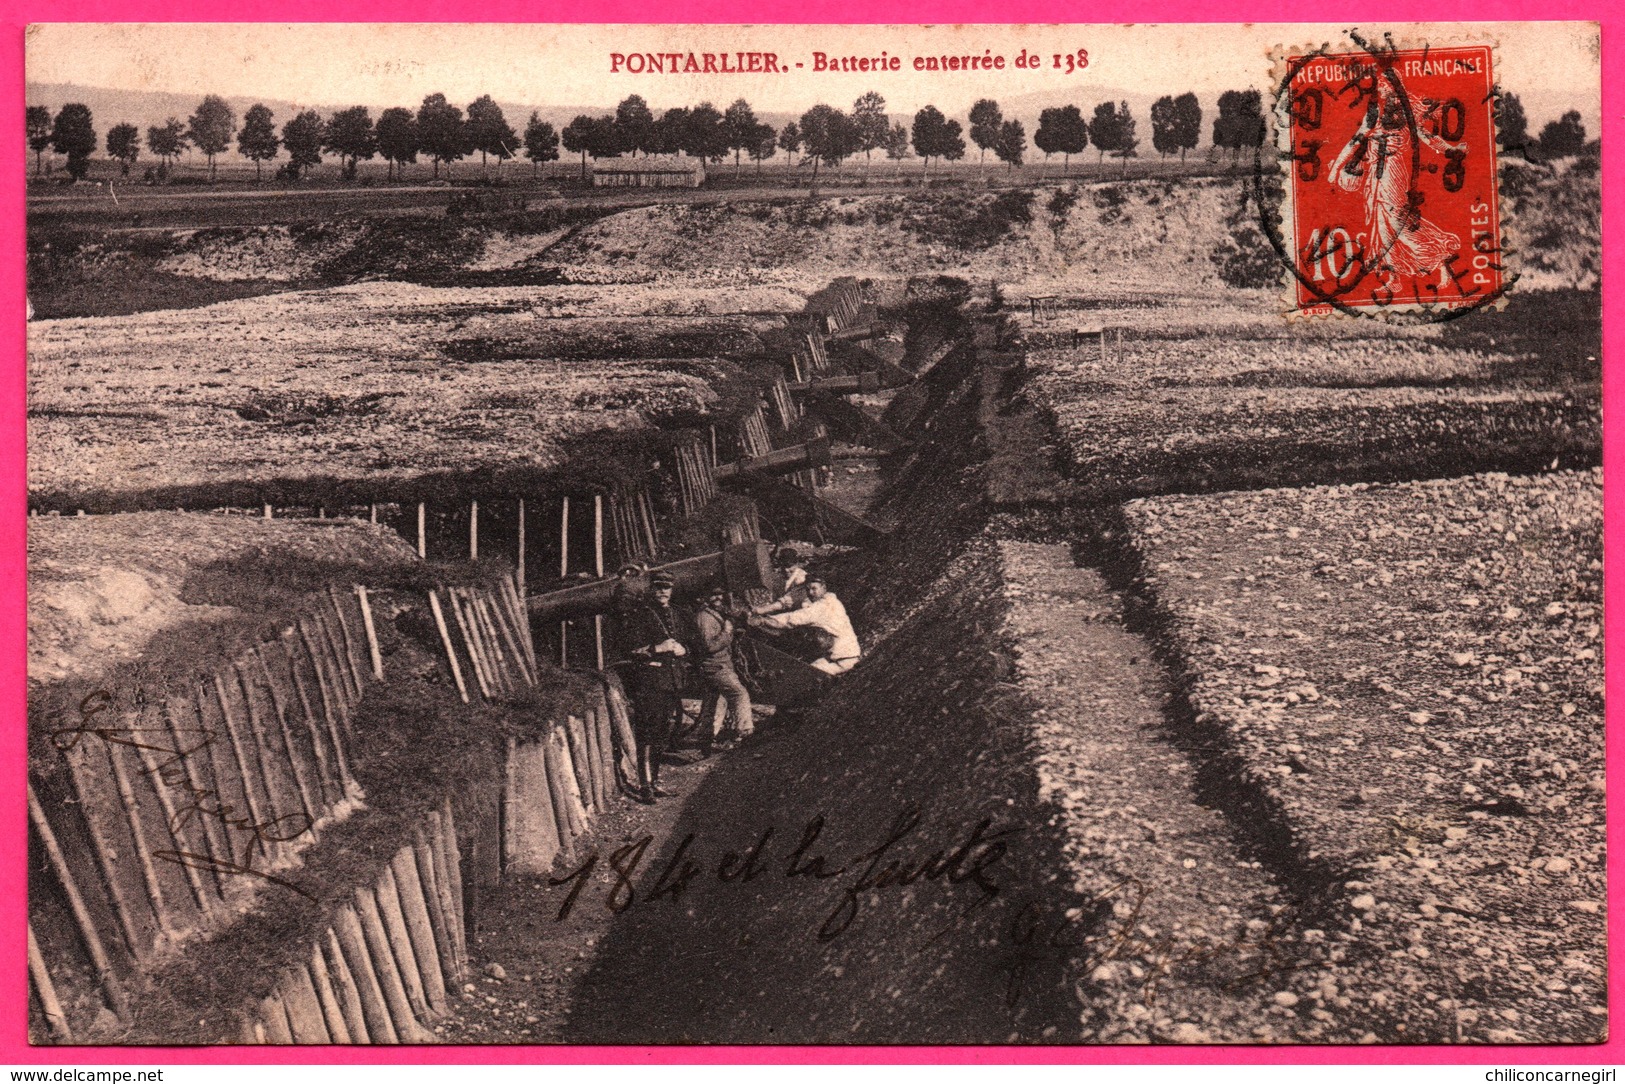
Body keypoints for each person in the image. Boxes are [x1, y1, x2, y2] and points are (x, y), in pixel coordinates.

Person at [611, 570, 687, 803]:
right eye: (658, 587)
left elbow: (689, 643)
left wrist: (685, 650)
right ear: (651, 589)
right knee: (647, 732)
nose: (663, 592)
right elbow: (630, 651)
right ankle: (645, 786)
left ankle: (654, 782)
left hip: (671, 681)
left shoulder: (675, 614)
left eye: (667, 588)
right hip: (650, 682)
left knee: (662, 734)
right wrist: (658, 648)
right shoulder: (639, 616)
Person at [750, 573, 861, 675]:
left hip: (843, 660)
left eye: (814, 589)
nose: (810, 593)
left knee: (804, 675)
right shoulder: (832, 601)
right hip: (840, 656)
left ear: (824, 588)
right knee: (807, 667)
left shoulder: (823, 607)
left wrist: (763, 621)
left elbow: (792, 619)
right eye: (808, 589)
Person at [690, 583, 754, 755]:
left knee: (713, 703)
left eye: (720, 594)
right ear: (706, 598)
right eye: (713, 595)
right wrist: (727, 632)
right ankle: (745, 733)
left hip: (716, 665)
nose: (718, 598)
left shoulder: (714, 614)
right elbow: (709, 646)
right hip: (716, 666)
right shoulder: (705, 617)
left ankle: (705, 740)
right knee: (739, 693)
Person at [755, 546, 810, 617]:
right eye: (783, 566)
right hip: (783, 608)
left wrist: (762, 610)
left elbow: (788, 600)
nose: (786, 570)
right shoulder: (780, 575)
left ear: (797, 564)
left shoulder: (801, 578)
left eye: (789, 566)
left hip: (800, 610)